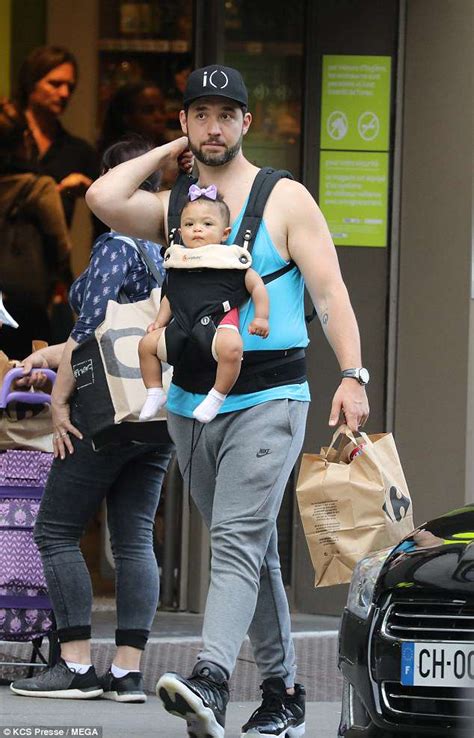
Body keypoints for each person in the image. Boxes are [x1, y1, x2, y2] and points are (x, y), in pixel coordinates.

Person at [86, 64, 370, 737]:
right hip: (192, 403)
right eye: (200, 114)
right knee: (252, 550)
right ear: (186, 124)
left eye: (226, 114)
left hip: (271, 394)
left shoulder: (285, 198)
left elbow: (330, 295)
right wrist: (164, 155)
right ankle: (283, 694)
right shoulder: (179, 202)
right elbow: (102, 197)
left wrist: (353, 377)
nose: (214, 126)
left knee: (238, 539)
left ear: (247, 122)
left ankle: (212, 679)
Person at [9, 137, 180, 703]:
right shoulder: (168, 247)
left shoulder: (118, 242)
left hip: (102, 415)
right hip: (155, 413)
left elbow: (91, 331)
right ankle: (128, 672)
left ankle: (77, 666)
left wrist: (59, 398)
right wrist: (48, 356)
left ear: (116, 178)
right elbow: (122, 333)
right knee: (133, 539)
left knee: (55, 531)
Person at [138, 184, 269, 423]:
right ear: (180, 231)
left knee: (232, 348)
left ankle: (217, 396)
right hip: (182, 325)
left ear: (225, 233)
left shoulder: (231, 260)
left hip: (219, 322)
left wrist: (261, 317)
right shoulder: (178, 260)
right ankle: (154, 391)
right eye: (189, 224)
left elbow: (256, 285)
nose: (197, 229)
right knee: (146, 345)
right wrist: (159, 322)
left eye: (207, 224)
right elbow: (172, 296)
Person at [0, 99, 71, 358]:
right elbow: (61, 245)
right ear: (23, 140)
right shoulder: (39, 188)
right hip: (24, 304)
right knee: (26, 375)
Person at [16, 45, 99, 228]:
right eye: (55, 84)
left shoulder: (77, 150)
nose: (64, 94)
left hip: (52, 254)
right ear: (31, 83)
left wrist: (90, 191)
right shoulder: (8, 139)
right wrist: (57, 191)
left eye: (70, 86)